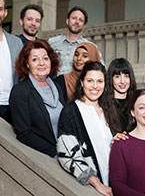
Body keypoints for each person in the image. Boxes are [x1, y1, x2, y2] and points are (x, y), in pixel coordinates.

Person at [57, 62, 113, 196]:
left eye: (100, 81)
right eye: (90, 81)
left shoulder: (109, 111)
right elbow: (67, 155)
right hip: (92, 189)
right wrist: (96, 183)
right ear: (81, 82)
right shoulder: (71, 112)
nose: (95, 86)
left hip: (114, 185)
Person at [9, 40, 63, 157]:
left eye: (45, 58)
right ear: (27, 64)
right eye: (35, 59)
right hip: (47, 157)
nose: (41, 63)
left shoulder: (58, 87)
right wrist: (56, 153)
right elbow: (24, 134)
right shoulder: (20, 92)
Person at [48, 6, 103, 75]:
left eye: (81, 20)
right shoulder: (52, 42)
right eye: (74, 18)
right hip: (53, 84)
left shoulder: (91, 47)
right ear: (67, 21)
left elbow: (101, 70)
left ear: (84, 25)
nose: (77, 22)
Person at [102, 58, 137, 134]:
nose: (123, 81)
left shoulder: (136, 101)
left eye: (126, 76)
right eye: (117, 76)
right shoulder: (103, 104)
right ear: (111, 79)